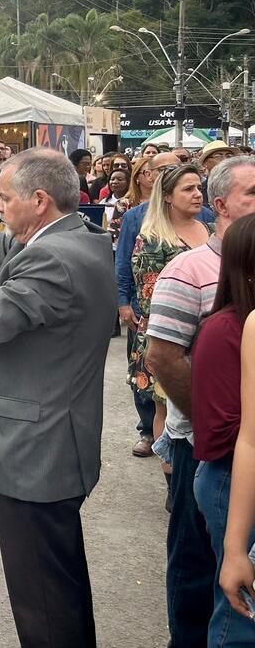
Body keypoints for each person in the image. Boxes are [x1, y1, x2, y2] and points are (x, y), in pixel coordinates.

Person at [0, 136, 114, 648]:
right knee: (57, 584)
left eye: (5, 198)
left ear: (39, 201)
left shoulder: (51, 260)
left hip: (37, 451)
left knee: (44, 602)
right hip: (56, 440)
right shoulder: (73, 237)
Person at [146, 155, 255, 648]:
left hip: (235, 446)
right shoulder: (187, 269)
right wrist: (212, 422)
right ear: (220, 204)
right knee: (195, 566)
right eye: (251, 194)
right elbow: (162, 356)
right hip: (203, 444)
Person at [118, 151, 216, 458]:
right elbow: (149, 299)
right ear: (168, 197)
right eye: (188, 189)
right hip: (167, 341)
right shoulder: (152, 239)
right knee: (167, 412)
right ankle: (172, 481)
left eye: (199, 187)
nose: (197, 194)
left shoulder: (211, 231)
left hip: (208, 341)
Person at [186, 214, 255, 647]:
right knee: (239, 622)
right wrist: (235, 548)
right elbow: (233, 432)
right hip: (229, 477)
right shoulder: (227, 328)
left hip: (234, 476)